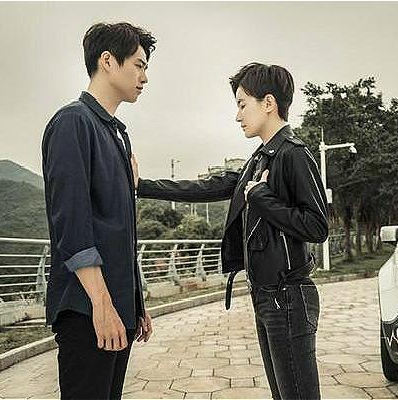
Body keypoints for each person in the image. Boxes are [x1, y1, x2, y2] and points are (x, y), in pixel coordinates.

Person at [134, 62, 328, 399]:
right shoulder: (260, 159)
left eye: (242, 104)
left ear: (268, 103)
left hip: (288, 296)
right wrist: (142, 185)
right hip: (266, 296)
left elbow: (317, 225)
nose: (238, 115)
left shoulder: (293, 155)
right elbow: (207, 187)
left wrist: (262, 198)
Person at [41, 22, 156, 399]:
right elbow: (73, 227)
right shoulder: (73, 122)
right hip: (87, 310)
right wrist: (102, 305)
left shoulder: (117, 133)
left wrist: (135, 302)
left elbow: (118, 229)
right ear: (107, 61)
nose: (144, 77)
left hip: (115, 308)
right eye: (138, 65)